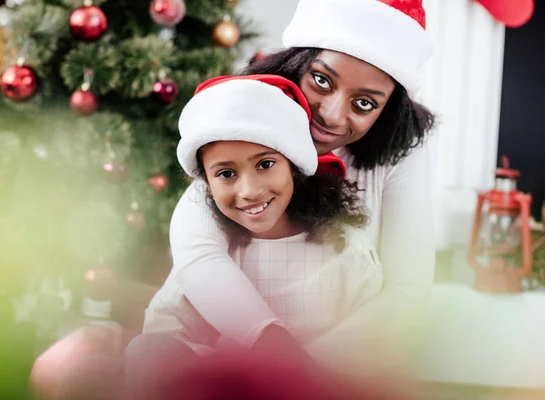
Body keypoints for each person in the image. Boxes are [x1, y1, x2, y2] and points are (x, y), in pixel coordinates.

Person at [169, 0, 436, 376]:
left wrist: (303, 373)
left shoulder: (399, 155)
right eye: (322, 81)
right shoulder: (244, 115)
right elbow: (197, 253)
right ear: (295, 63)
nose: (330, 114)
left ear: (388, 111)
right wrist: (274, 351)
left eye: (363, 104)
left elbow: (408, 290)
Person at [144, 74, 383, 358]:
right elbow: (163, 333)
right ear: (207, 183)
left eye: (265, 164)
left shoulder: (346, 253)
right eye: (226, 174)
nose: (249, 191)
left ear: (294, 164)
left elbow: (370, 349)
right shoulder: (218, 252)